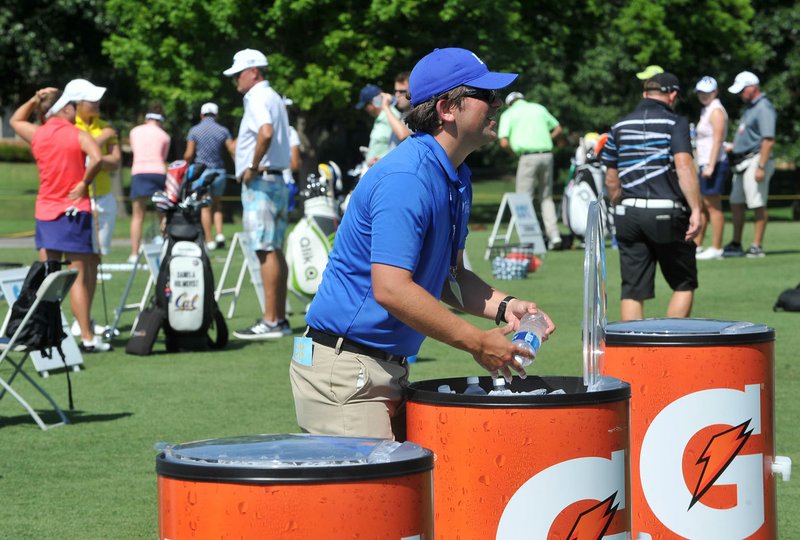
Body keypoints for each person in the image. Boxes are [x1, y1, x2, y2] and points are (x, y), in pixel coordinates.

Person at [291, 47, 556, 440]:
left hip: (375, 367)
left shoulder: (454, 175)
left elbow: (449, 276)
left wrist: (507, 306)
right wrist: (477, 343)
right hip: (345, 371)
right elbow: (392, 290)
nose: (497, 103)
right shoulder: (407, 178)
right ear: (448, 108)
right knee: (372, 501)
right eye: (485, 95)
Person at [9, 84, 110, 352]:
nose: (76, 111)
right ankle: (86, 336)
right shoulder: (77, 134)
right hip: (74, 210)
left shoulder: (39, 134)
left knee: (47, 276)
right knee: (76, 274)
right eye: (74, 107)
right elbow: (97, 158)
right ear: (65, 108)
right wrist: (84, 182)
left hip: (46, 211)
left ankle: (44, 332)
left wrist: (33, 99)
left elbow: (15, 120)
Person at [601, 72, 702, 321]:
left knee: (633, 290)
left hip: (629, 213)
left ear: (645, 94)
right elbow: (684, 166)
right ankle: (671, 351)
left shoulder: (619, 127)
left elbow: (611, 179)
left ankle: (633, 356)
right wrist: (697, 209)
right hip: (667, 211)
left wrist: (618, 204)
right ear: (673, 95)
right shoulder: (676, 123)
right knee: (683, 282)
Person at [223, 48, 293, 340]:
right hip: (276, 180)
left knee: (265, 249)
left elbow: (264, 132)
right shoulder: (274, 96)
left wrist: (251, 165)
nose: (236, 80)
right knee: (274, 248)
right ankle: (279, 317)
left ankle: (271, 320)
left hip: (262, 181)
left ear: (254, 72)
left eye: (238, 74)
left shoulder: (256, 97)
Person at [72, 79, 122, 337]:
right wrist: (100, 144)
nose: (97, 103)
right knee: (82, 261)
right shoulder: (72, 126)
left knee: (94, 260)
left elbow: (114, 161)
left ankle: (86, 319)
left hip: (103, 197)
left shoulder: (106, 127)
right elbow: (84, 158)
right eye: (92, 100)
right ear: (77, 105)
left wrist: (97, 157)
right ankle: (80, 321)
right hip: (82, 199)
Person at [498, 91, 563, 250]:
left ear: (509, 103)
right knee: (546, 197)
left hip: (527, 157)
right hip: (547, 155)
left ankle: (529, 238)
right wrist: (547, 138)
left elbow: (504, 143)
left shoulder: (509, 113)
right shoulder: (538, 108)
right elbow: (558, 129)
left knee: (523, 198)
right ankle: (554, 235)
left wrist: (514, 154)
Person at [722, 71, 776, 258]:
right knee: (736, 201)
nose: (740, 94)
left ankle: (757, 245)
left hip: (757, 159)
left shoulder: (763, 107)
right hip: (742, 161)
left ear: (753, 87)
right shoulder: (750, 108)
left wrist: (761, 166)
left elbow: (768, 140)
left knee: (757, 203)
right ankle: (736, 243)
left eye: (742, 90)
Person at [184, 102, 235, 251]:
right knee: (217, 204)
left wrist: (184, 166)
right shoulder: (223, 130)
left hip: (202, 172)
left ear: (201, 114)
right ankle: (219, 234)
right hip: (219, 172)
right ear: (216, 114)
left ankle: (209, 239)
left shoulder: (194, 130)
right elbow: (232, 149)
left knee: (205, 207)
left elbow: (188, 154)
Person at [128, 105, 170, 263]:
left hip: (139, 171)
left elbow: (135, 151)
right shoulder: (165, 135)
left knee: (138, 215)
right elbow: (163, 157)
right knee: (163, 214)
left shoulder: (134, 132)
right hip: (158, 172)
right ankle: (166, 247)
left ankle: (134, 252)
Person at [693, 76, 729, 260]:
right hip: (705, 163)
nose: (703, 95)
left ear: (715, 92)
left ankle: (716, 248)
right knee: (703, 205)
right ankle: (698, 245)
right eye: (700, 92)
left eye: (707, 92)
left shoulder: (716, 111)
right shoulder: (707, 110)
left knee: (713, 206)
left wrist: (711, 165)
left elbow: (717, 139)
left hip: (712, 163)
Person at [355, 83, 403, 165]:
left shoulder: (391, 116)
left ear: (373, 102)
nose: (366, 109)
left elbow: (401, 142)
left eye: (366, 105)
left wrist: (382, 159)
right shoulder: (380, 118)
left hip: (387, 168)